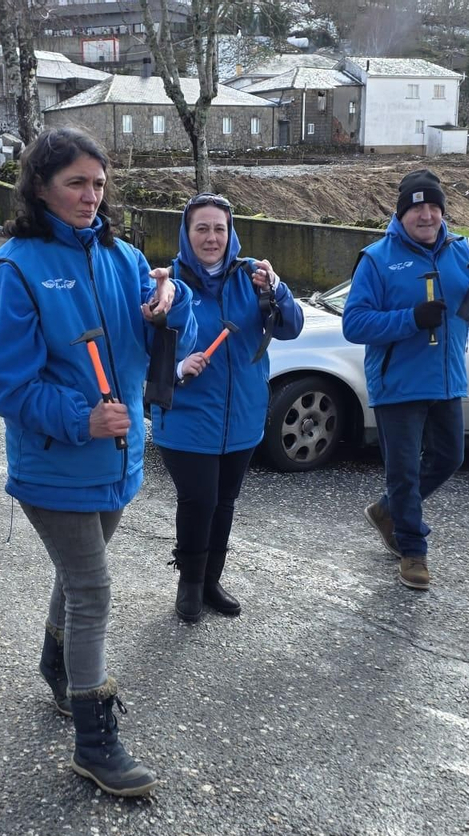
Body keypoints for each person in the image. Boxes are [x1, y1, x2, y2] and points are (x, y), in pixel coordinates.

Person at [0, 127, 199, 798]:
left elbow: (167, 323)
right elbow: (7, 387)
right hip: (55, 466)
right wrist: (81, 418)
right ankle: (94, 740)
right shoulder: (16, 268)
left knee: (79, 579)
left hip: (120, 461)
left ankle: (55, 666)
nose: (89, 195)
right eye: (76, 182)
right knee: (95, 590)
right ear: (40, 187)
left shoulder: (124, 256)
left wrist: (171, 304)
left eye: (98, 184)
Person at [341, 169, 469, 590]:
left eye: (433, 206)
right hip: (398, 383)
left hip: (447, 378)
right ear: (402, 213)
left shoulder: (460, 251)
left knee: (450, 458)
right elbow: (355, 324)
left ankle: (386, 510)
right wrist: (410, 319)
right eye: (417, 208)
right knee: (405, 473)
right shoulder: (377, 258)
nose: (426, 215)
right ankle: (413, 551)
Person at [154, 193, 304, 623]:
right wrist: (181, 366)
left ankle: (211, 580)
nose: (211, 237)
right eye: (201, 228)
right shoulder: (171, 283)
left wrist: (276, 291)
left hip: (242, 416)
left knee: (224, 502)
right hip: (186, 417)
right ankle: (189, 583)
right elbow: (145, 348)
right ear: (186, 233)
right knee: (198, 499)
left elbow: (291, 327)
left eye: (219, 228)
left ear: (230, 232)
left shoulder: (254, 277)